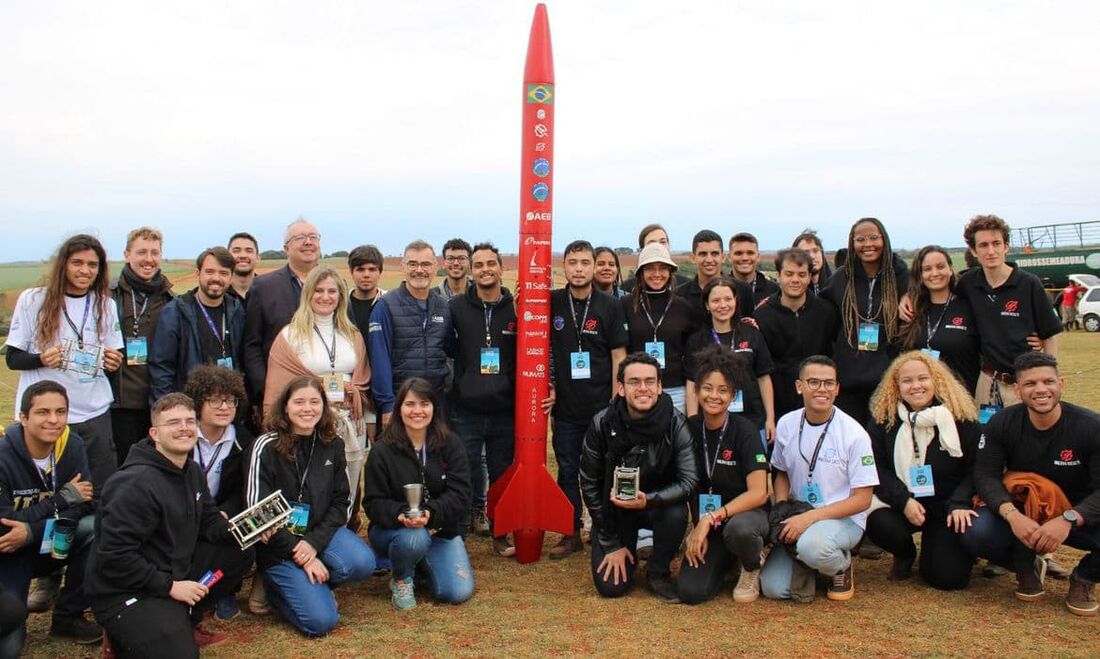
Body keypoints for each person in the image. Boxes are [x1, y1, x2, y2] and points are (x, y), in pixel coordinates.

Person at [85, 393, 254, 656]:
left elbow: (209, 522)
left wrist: (247, 528)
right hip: (128, 590)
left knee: (239, 549)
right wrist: (170, 587)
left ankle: (186, 617)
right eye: (173, 422)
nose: (184, 428)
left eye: (189, 420)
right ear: (154, 433)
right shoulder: (134, 483)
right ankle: (124, 631)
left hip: (174, 571)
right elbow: (114, 557)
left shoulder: (192, 470)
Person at [961, 352, 1100, 616]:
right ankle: (1025, 563)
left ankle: (1084, 577)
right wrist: (1012, 516)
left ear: (1061, 384)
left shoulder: (1091, 426)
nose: (1040, 390)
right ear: (1017, 390)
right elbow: (985, 475)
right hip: (1025, 515)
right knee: (973, 530)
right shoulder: (1002, 422)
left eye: (1048, 381)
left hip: (1077, 514)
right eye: (1030, 384)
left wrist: (1069, 519)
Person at [245, 377, 377, 636]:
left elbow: (341, 503)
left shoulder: (332, 444)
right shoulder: (265, 447)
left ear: (324, 406)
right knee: (321, 622)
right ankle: (274, 589)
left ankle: (312, 585)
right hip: (277, 545)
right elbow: (257, 516)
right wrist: (300, 552)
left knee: (362, 562)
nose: (308, 409)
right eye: (299, 402)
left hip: (318, 536)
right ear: (285, 407)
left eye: (315, 402)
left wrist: (312, 545)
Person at [5, 234, 124, 492]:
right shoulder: (33, 300)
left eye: (92, 265)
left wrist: (114, 362)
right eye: (77, 263)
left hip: (94, 415)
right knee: (47, 490)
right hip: (48, 416)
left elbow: (115, 357)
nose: (85, 270)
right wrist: (41, 358)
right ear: (63, 265)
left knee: (100, 492)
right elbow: (12, 358)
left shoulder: (106, 305)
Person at [579, 352, 698, 601]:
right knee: (611, 588)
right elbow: (589, 483)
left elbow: (689, 482)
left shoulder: (676, 424)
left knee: (677, 512)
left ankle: (658, 571)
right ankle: (626, 551)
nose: (643, 388)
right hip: (615, 510)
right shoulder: (602, 423)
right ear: (621, 388)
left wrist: (650, 499)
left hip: (657, 506)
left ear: (660, 386)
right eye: (634, 382)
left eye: (650, 381)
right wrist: (610, 543)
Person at [760, 356, 878, 602]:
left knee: (812, 548)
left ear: (837, 388)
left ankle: (840, 565)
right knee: (774, 589)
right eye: (813, 382)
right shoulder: (787, 424)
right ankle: (813, 563)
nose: (822, 389)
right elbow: (780, 471)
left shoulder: (855, 434)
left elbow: (863, 500)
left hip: (842, 518)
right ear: (799, 386)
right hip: (798, 515)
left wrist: (808, 519)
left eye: (829, 383)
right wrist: (783, 509)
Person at [262, 266, 371, 531]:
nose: (325, 297)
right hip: (309, 425)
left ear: (341, 295)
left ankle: (340, 534)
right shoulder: (290, 336)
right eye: (319, 291)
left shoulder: (352, 334)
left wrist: (353, 393)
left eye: (332, 291)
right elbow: (280, 386)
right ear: (308, 294)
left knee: (347, 483)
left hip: (349, 423)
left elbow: (363, 380)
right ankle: (305, 535)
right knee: (313, 484)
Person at [864, 352, 980, 589]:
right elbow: (877, 468)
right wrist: (903, 500)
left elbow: (976, 469)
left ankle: (945, 548)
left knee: (948, 579)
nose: (916, 386)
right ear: (897, 386)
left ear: (936, 380)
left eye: (923, 378)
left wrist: (959, 502)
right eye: (907, 381)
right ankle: (905, 553)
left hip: (946, 506)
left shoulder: (960, 418)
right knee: (875, 521)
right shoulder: (884, 419)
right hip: (903, 504)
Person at [0, 381, 100, 654]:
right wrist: (62, 499)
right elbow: (4, 526)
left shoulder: (72, 444)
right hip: (9, 552)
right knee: (9, 647)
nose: (54, 420)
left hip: (46, 538)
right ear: (23, 417)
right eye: (43, 412)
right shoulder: (2, 455)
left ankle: (68, 616)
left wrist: (31, 530)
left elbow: (85, 504)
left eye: (61, 411)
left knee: (95, 528)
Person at [363, 378, 474, 609]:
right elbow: (373, 503)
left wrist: (431, 514)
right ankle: (402, 578)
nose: (417, 411)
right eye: (410, 404)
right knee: (414, 538)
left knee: (457, 591)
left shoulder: (450, 444)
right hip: (398, 532)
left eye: (424, 404)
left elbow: (462, 494)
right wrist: (401, 515)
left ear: (434, 407)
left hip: (440, 531)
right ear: (399, 409)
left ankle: (420, 565)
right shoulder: (382, 450)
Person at [549, 240, 628, 559]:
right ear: (564, 267)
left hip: (601, 408)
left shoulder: (610, 305)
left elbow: (618, 356)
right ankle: (569, 533)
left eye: (585, 262)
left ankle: (601, 530)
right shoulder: (552, 302)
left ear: (595, 266)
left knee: (601, 472)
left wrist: (615, 405)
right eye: (572, 262)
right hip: (566, 409)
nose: (579, 268)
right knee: (568, 470)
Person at [678, 347, 771, 605]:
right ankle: (728, 561)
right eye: (707, 388)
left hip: (746, 518)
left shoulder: (746, 431)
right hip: (712, 527)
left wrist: (709, 519)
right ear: (696, 391)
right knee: (691, 592)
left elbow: (759, 493)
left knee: (739, 530)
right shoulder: (689, 430)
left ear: (733, 395)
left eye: (723, 390)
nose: (714, 396)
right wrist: (699, 527)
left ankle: (751, 563)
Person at [447, 243, 518, 557]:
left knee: (503, 472)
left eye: (491, 263)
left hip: (505, 409)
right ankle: (457, 535)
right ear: (471, 271)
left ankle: (501, 532)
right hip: (466, 410)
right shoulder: (456, 307)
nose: (485, 269)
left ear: (501, 268)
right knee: (465, 470)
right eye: (479, 265)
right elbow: (448, 350)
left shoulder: (516, 308)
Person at [956, 214, 1061, 410]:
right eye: (983, 245)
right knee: (988, 438)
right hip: (988, 382)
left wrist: (1049, 377)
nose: (991, 251)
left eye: (996, 243)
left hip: (1025, 382)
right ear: (974, 251)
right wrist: (908, 297)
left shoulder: (1029, 284)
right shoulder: (968, 283)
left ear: (1006, 246)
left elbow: (1050, 336)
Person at [182, 365, 256, 620]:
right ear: (198, 402)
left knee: (242, 545)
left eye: (230, 400)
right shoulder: (182, 435)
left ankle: (224, 591)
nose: (224, 407)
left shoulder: (245, 442)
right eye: (214, 400)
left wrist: (227, 511)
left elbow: (244, 489)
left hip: (220, 516)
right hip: (183, 515)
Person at [820, 218, 908, 427]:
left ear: (884, 240)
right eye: (860, 239)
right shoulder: (842, 277)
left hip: (887, 379)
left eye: (873, 237)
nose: (867, 244)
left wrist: (911, 294)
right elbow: (819, 309)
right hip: (849, 378)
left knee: (881, 442)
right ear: (852, 244)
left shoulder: (901, 277)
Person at [109, 226, 175, 465]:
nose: (148, 259)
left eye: (154, 253)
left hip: (155, 403)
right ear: (127, 255)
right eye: (141, 252)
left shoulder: (170, 300)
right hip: (117, 403)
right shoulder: (108, 295)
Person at [369, 239, 453, 425]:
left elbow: (447, 350)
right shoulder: (385, 306)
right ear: (403, 267)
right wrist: (387, 405)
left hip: (436, 403)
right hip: (400, 403)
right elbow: (379, 358)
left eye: (425, 264)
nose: (419, 270)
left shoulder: (443, 307)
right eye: (412, 264)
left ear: (435, 267)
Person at [685, 277, 776, 444]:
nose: (723, 305)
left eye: (728, 299)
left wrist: (770, 418)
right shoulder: (697, 340)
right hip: (711, 422)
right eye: (716, 300)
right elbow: (692, 383)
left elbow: (763, 378)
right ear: (707, 305)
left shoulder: (752, 333)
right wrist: (693, 421)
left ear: (736, 301)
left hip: (753, 420)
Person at [243, 218, 322, 409]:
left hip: (324, 394)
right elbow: (252, 345)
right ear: (286, 248)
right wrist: (266, 389)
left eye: (313, 237)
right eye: (300, 237)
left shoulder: (334, 286)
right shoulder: (263, 287)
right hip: (280, 395)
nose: (308, 242)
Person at [149, 247, 245, 400]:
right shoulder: (175, 312)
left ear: (231, 277)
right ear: (197, 274)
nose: (216, 278)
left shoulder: (237, 310)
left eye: (223, 273)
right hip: (189, 408)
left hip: (227, 406)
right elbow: (162, 368)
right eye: (210, 272)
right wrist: (164, 409)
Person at [754, 249, 838, 418]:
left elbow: (834, 353)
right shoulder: (762, 315)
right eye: (789, 274)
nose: (795, 280)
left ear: (809, 277)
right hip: (777, 405)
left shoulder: (825, 311)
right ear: (778, 276)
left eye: (801, 274)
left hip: (818, 401)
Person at [898, 246, 981, 394]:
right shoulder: (911, 309)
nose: (935, 273)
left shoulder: (970, 306)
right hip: (923, 401)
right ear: (920, 274)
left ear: (950, 269)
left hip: (963, 399)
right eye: (927, 269)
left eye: (940, 267)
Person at [623, 243, 694, 412]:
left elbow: (692, 352)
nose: (657, 274)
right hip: (638, 389)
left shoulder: (683, 306)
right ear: (640, 273)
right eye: (650, 269)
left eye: (662, 268)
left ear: (670, 272)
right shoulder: (625, 305)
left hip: (676, 390)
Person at [677, 230, 754, 330]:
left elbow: (749, 328)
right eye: (703, 254)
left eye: (714, 254)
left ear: (723, 257)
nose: (709, 260)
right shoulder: (679, 294)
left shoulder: (743, 290)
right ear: (693, 258)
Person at [346, 244, 387, 342]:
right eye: (360, 269)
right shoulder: (340, 304)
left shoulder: (390, 303)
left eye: (372, 269)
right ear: (351, 272)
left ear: (380, 272)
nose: (366, 275)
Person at [729, 232, 779, 307]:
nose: (745, 258)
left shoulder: (774, 290)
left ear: (758, 256)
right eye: (738, 253)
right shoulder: (719, 288)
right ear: (729, 257)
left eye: (750, 253)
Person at [792, 230, 831, 297]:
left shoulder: (836, 287)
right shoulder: (789, 293)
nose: (812, 256)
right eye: (805, 252)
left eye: (815, 251)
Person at [226, 232, 261, 302]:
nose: (243, 255)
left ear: (258, 258)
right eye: (236, 251)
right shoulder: (219, 293)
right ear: (228, 257)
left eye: (249, 251)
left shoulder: (270, 291)